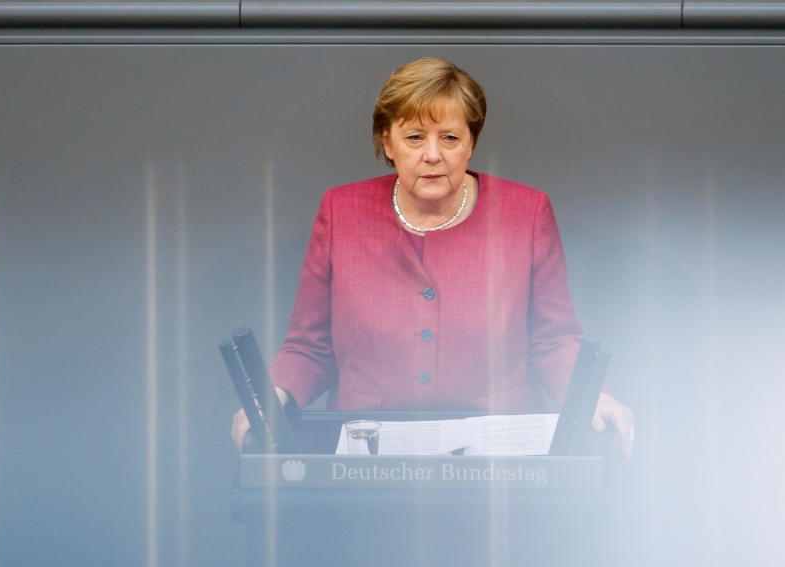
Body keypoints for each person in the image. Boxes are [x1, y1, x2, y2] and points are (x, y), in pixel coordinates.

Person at [232, 58, 633, 458]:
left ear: (471, 143)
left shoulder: (526, 212)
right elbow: (310, 346)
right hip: (368, 455)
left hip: (499, 458)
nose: (433, 154)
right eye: (415, 137)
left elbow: (554, 340)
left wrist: (593, 397)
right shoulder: (341, 210)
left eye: (450, 138)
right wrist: (269, 396)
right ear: (387, 142)